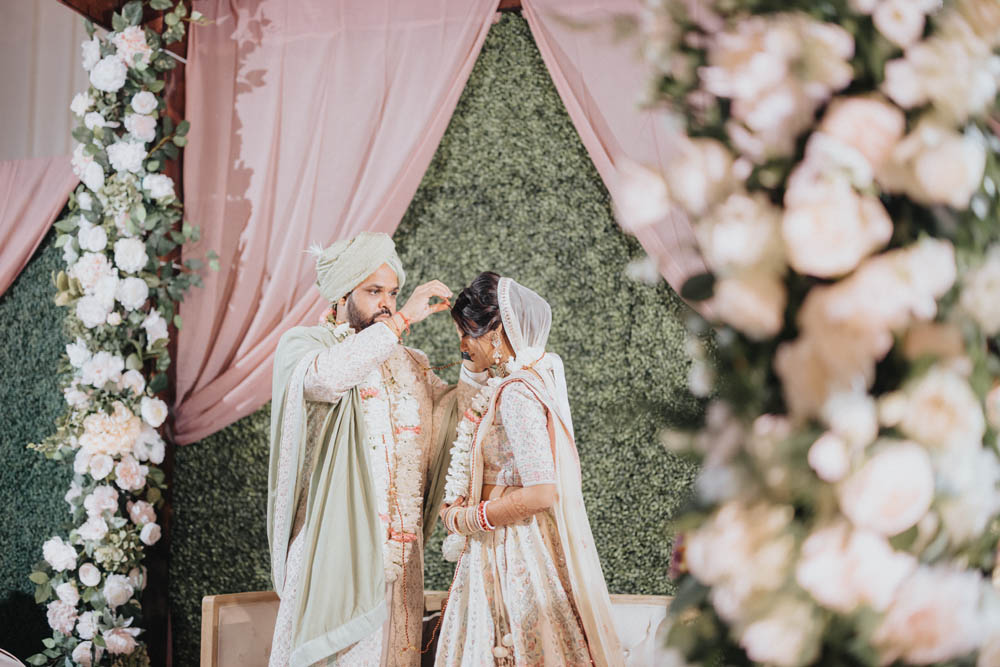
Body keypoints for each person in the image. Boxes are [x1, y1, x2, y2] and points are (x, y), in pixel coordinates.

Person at [266, 232, 480, 667]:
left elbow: (452, 417)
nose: (386, 302)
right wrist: (401, 320)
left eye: (393, 292)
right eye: (374, 291)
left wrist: (474, 351)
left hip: (398, 553)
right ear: (343, 294)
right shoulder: (307, 347)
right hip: (333, 547)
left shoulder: (408, 362)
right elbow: (327, 379)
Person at [435, 272, 624, 666]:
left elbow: (541, 492)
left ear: (495, 331)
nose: (462, 345)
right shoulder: (519, 380)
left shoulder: (518, 391)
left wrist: (470, 518)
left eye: (467, 333)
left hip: (513, 545)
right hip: (505, 538)